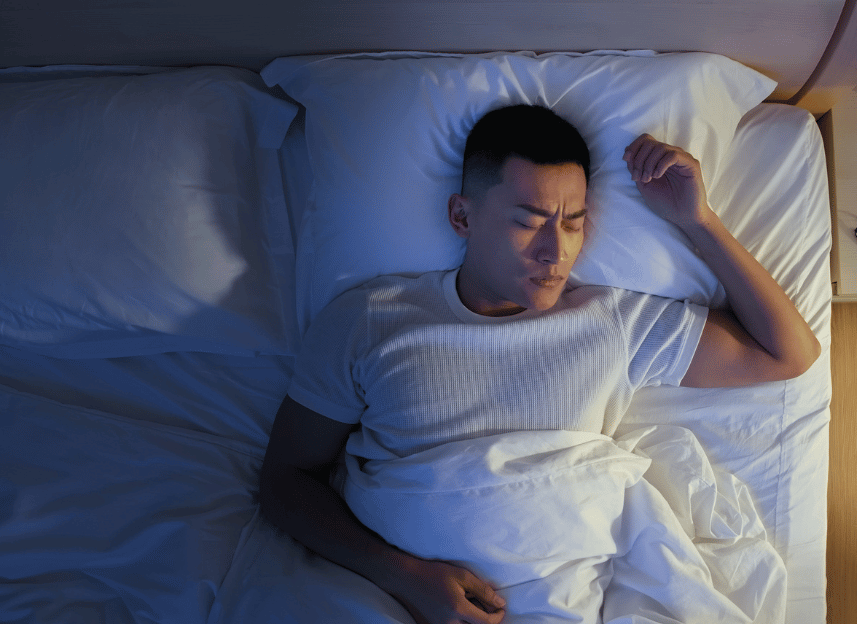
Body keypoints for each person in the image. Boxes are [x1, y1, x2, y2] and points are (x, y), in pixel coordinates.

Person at [258, 104, 820, 624]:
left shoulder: (610, 321)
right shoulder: (370, 319)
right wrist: (407, 578)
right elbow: (286, 480)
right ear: (462, 215)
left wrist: (699, 221)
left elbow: (787, 354)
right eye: (528, 222)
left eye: (572, 223)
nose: (556, 252)